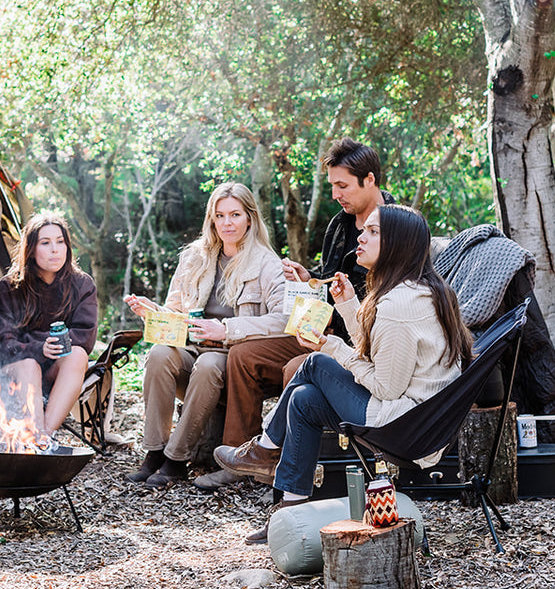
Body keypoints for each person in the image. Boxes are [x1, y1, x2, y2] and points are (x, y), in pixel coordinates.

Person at [216, 204, 474, 529]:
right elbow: (377, 353)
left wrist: (332, 346)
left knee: (315, 363)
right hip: (416, 421)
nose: (360, 238)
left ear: (397, 244)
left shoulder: (399, 306)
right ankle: (286, 515)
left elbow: (385, 387)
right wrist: (349, 305)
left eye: (373, 231)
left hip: (401, 426)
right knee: (304, 401)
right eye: (364, 230)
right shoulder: (420, 291)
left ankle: (266, 449)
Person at [209, 138, 394, 490]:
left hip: (360, 341)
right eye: (333, 186)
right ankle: (244, 459)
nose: (336, 194)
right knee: (244, 355)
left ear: (369, 180)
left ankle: (286, 469)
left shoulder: (397, 224)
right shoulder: (339, 225)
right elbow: (327, 278)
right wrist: (309, 278)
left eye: (343, 185)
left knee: (298, 369)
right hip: (319, 329)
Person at [123, 182, 288, 489]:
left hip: (232, 357)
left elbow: (283, 319)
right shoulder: (193, 258)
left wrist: (227, 330)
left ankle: (176, 459)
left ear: (250, 218)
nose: (227, 223)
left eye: (235, 215)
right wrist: (154, 313)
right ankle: (155, 452)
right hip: (190, 349)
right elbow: (175, 311)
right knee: (159, 354)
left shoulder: (267, 263)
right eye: (220, 215)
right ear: (211, 219)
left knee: (210, 362)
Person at [0, 213, 98, 435]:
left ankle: (43, 437)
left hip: (57, 370)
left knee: (77, 354)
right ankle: (37, 434)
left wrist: (51, 349)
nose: (55, 249)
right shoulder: (11, 286)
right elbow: (3, 341)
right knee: (30, 364)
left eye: (60, 242)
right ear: (31, 249)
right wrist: (39, 348)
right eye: (45, 243)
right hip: (17, 368)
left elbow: (85, 336)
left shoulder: (82, 285)